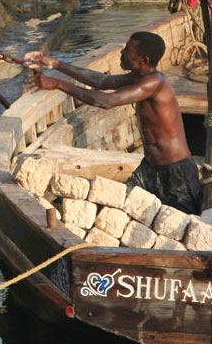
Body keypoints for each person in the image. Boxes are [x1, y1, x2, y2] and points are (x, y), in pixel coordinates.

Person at [25, 31, 201, 214]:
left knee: (183, 225)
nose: (122, 53)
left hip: (175, 173)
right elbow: (103, 81)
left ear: (143, 60)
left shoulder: (154, 82)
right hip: (149, 168)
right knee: (119, 210)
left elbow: (106, 101)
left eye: (127, 51)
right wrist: (56, 64)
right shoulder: (138, 77)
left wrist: (59, 84)